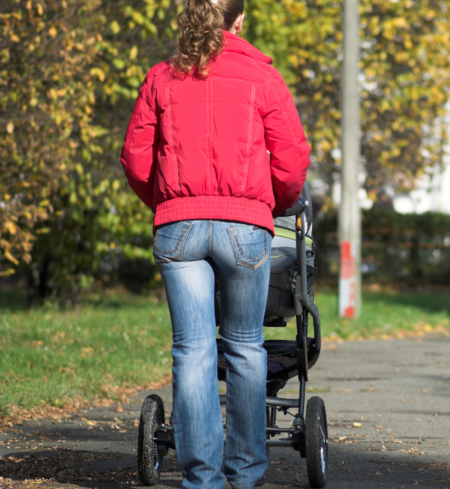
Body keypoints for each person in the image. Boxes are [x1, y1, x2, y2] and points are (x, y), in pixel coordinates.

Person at [120, 0, 310, 487]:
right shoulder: (264, 78)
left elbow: (136, 159)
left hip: (179, 225)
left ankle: (201, 479)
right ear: (239, 19)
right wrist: (272, 204)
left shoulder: (162, 77)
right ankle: (244, 474)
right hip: (245, 226)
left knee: (193, 350)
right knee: (245, 346)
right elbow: (292, 161)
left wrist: (167, 202)